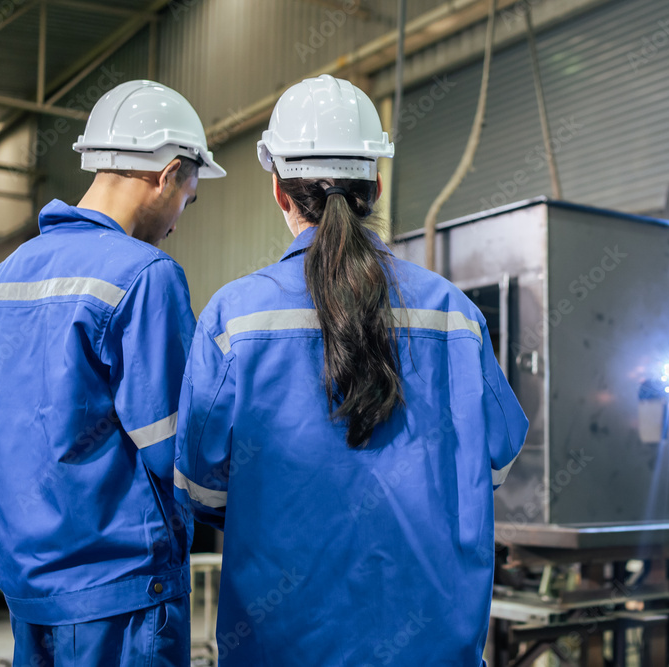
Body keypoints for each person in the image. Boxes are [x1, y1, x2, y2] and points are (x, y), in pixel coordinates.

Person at [174, 74, 528, 665]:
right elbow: (496, 459)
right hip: (431, 647)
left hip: (279, 645)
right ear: (377, 185)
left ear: (280, 191)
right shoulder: (453, 316)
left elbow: (200, 484)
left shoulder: (235, 318)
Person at [0, 80, 225, 666]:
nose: (180, 220)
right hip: (124, 598)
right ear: (168, 173)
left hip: (30, 597)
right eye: (190, 195)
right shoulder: (145, 275)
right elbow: (181, 455)